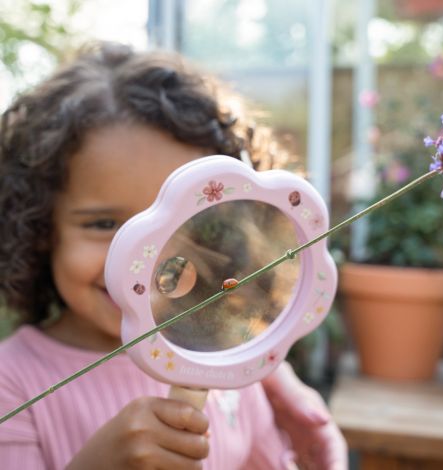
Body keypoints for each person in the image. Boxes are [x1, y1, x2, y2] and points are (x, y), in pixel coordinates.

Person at [0, 41, 347, 470]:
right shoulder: (10, 385)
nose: (141, 258)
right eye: (104, 224)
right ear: (40, 230)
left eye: (185, 224)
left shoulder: (226, 364)